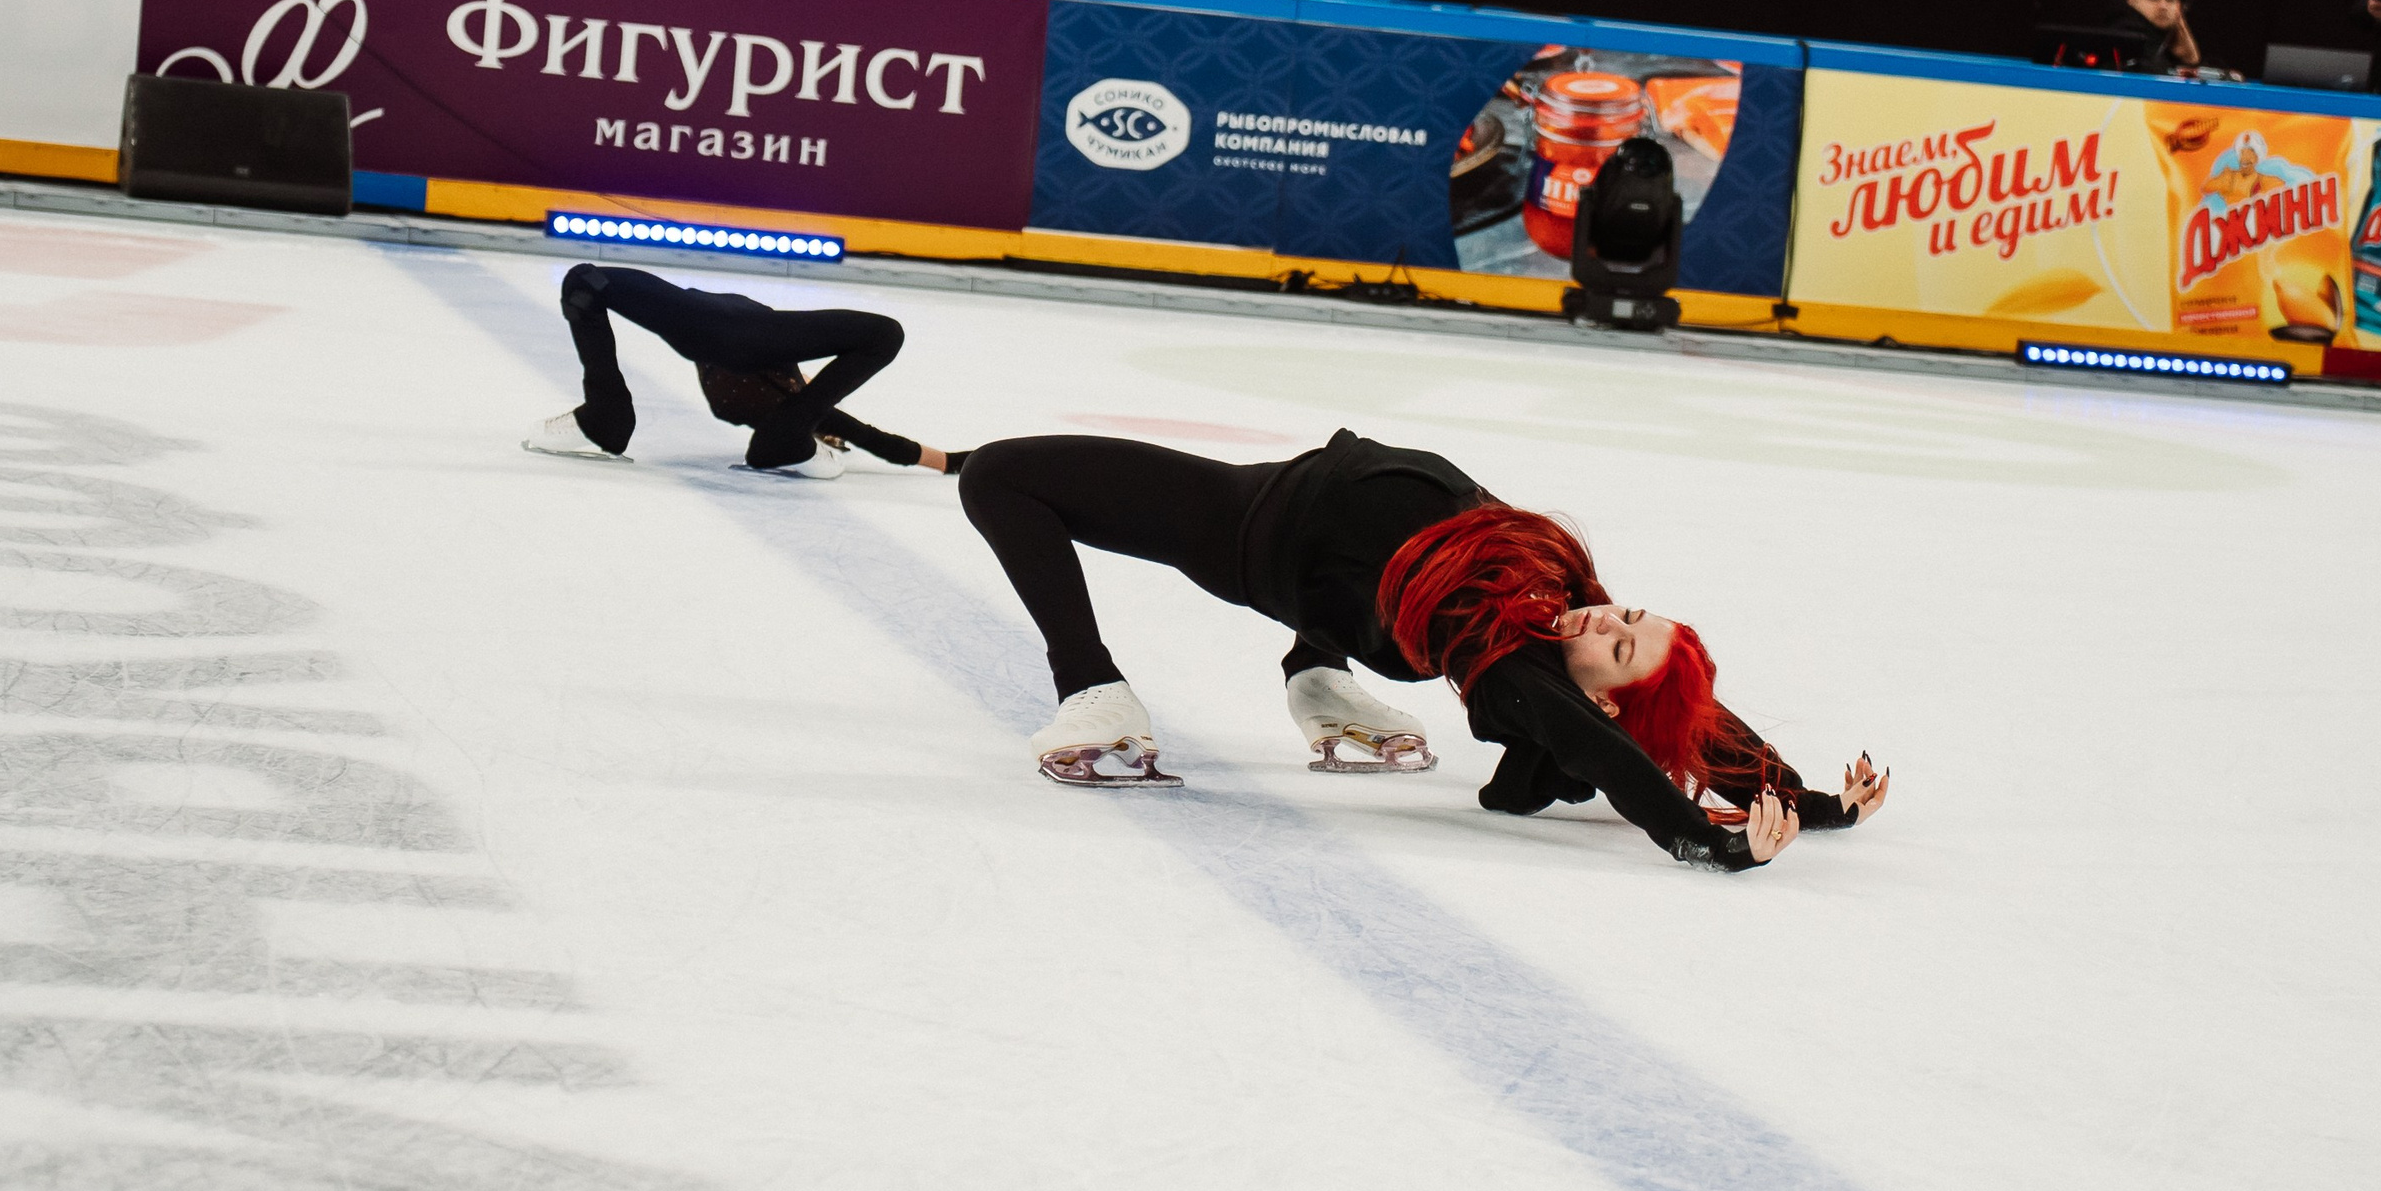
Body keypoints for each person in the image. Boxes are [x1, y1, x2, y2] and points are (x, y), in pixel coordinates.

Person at [957, 429, 1890, 871]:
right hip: (1314, 534)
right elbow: (1693, 718)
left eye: (1616, 650)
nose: (1605, 622)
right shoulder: (1566, 592)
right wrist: (1808, 801)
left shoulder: (1508, 663)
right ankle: (1318, 680)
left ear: (1595, 698)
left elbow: (1615, 751)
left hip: (1244, 526)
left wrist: (1700, 839)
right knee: (1382, 583)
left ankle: (1096, 691)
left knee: (1001, 475)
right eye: (1628, 616)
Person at [524, 263, 966, 476]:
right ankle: (606, 415)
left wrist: (951, 462)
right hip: (728, 338)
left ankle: (605, 416)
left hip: (720, 330)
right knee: (884, 334)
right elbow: (880, 441)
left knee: (585, 281)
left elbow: (873, 438)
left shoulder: (797, 398)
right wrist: (950, 463)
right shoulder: (804, 401)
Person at [2108, 0, 2201, 72]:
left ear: (2178, 7)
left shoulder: (2164, 44)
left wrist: (2190, 61)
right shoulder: (2123, 38)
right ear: (2132, 3)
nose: (2163, 6)